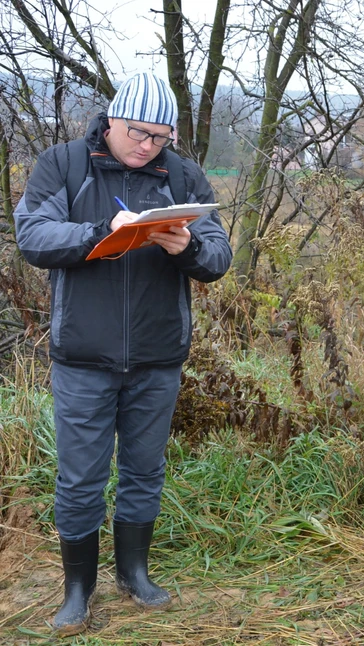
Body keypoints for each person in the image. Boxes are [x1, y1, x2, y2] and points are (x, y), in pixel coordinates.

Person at [14, 72, 233, 636]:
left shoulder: (181, 172)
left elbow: (219, 255)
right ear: (111, 121)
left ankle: (133, 571)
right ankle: (77, 590)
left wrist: (187, 248)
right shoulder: (62, 164)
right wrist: (98, 234)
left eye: (160, 137)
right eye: (138, 132)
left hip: (158, 356)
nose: (147, 145)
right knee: (80, 478)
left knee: (144, 470)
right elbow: (33, 236)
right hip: (83, 357)